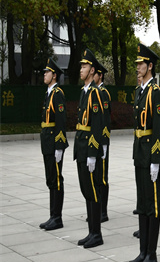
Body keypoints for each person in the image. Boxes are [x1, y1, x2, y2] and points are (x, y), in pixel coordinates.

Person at [128, 44, 160, 262]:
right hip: (139, 153)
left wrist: (156, 159)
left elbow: (158, 129)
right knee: (142, 204)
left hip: (150, 153)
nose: (138, 67)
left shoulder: (155, 92)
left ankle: (152, 254)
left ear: (150, 66)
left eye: (141, 64)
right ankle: (142, 251)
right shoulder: (140, 91)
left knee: (152, 205)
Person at [74, 49, 105, 249]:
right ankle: (91, 231)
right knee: (86, 190)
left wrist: (93, 153)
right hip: (81, 148)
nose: (81, 69)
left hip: (89, 150)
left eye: (84, 66)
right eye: (81, 66)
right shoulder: (84, 92)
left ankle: (97, 233)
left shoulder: (95, 93)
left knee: (93, 191)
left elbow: (97, 125)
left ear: (92, 70)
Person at [39, 58, 68, 231]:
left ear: (54, 75)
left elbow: (61, 121)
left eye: (47, 72)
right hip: (47, 141)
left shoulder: (58, 94)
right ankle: (52, 215)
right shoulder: (49, 93)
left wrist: (59, 145)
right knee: (51, 179)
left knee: (56, 179)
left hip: (54, 142)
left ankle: (57, 217)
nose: (44, 75)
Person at [93, 61, 111, 222]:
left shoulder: (103, 93)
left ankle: (103, 211)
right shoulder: (94, 92)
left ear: (100, 76)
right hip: (94, 140)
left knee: (102, 177)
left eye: (95, 74)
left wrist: (104, 141)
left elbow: (105, 119)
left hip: (102, 140)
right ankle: (97, 210)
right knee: (96, 176)